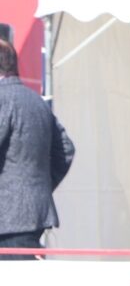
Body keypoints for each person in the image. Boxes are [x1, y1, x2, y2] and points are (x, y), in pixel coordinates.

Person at [0, 38, 75, 260]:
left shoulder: (3, 99)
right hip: (31, 214)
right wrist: (39, 186)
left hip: (7, 218)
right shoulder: (37, 101)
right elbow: (66, 149)